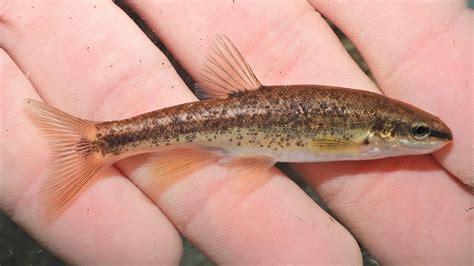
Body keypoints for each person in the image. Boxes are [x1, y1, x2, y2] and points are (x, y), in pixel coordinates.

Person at [0, 1, 472, 264]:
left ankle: (103, 141)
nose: (428, 138)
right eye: (418, 132)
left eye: (420, 131)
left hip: (238, 122)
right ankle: (101, 142)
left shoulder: (371, 130)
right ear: (383, 131)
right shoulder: (363, 135)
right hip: (235, 123)